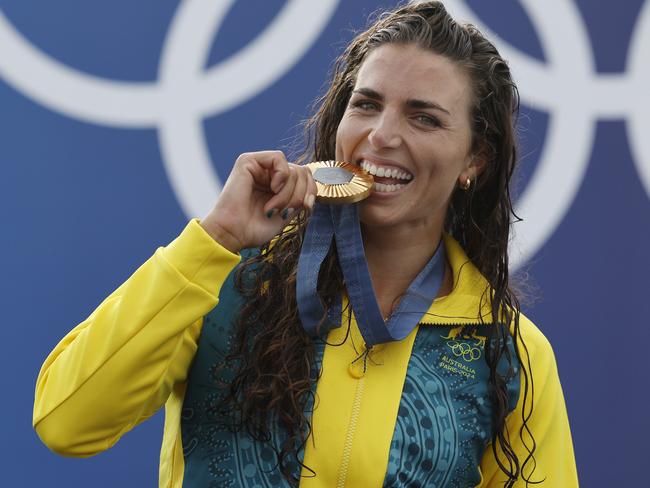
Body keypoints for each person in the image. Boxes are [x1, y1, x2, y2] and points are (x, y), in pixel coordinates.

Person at [33, 2, 578, 487]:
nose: (383, 135)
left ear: (475, 161)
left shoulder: (508, 353)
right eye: (366, 105)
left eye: (424, 117)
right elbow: (67, 422)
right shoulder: (225, 278)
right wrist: (215, 239)